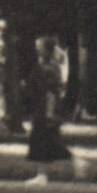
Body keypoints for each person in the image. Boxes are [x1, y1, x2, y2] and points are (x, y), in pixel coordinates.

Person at [24, 52, 73, 184]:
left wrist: (49, 113)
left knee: (44, 142)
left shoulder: (45, 69)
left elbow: (50, 92)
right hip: (45, 110)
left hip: (44, 111)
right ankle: (42, 174)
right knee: (50, 143)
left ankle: (43, 174)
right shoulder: (52, 67)